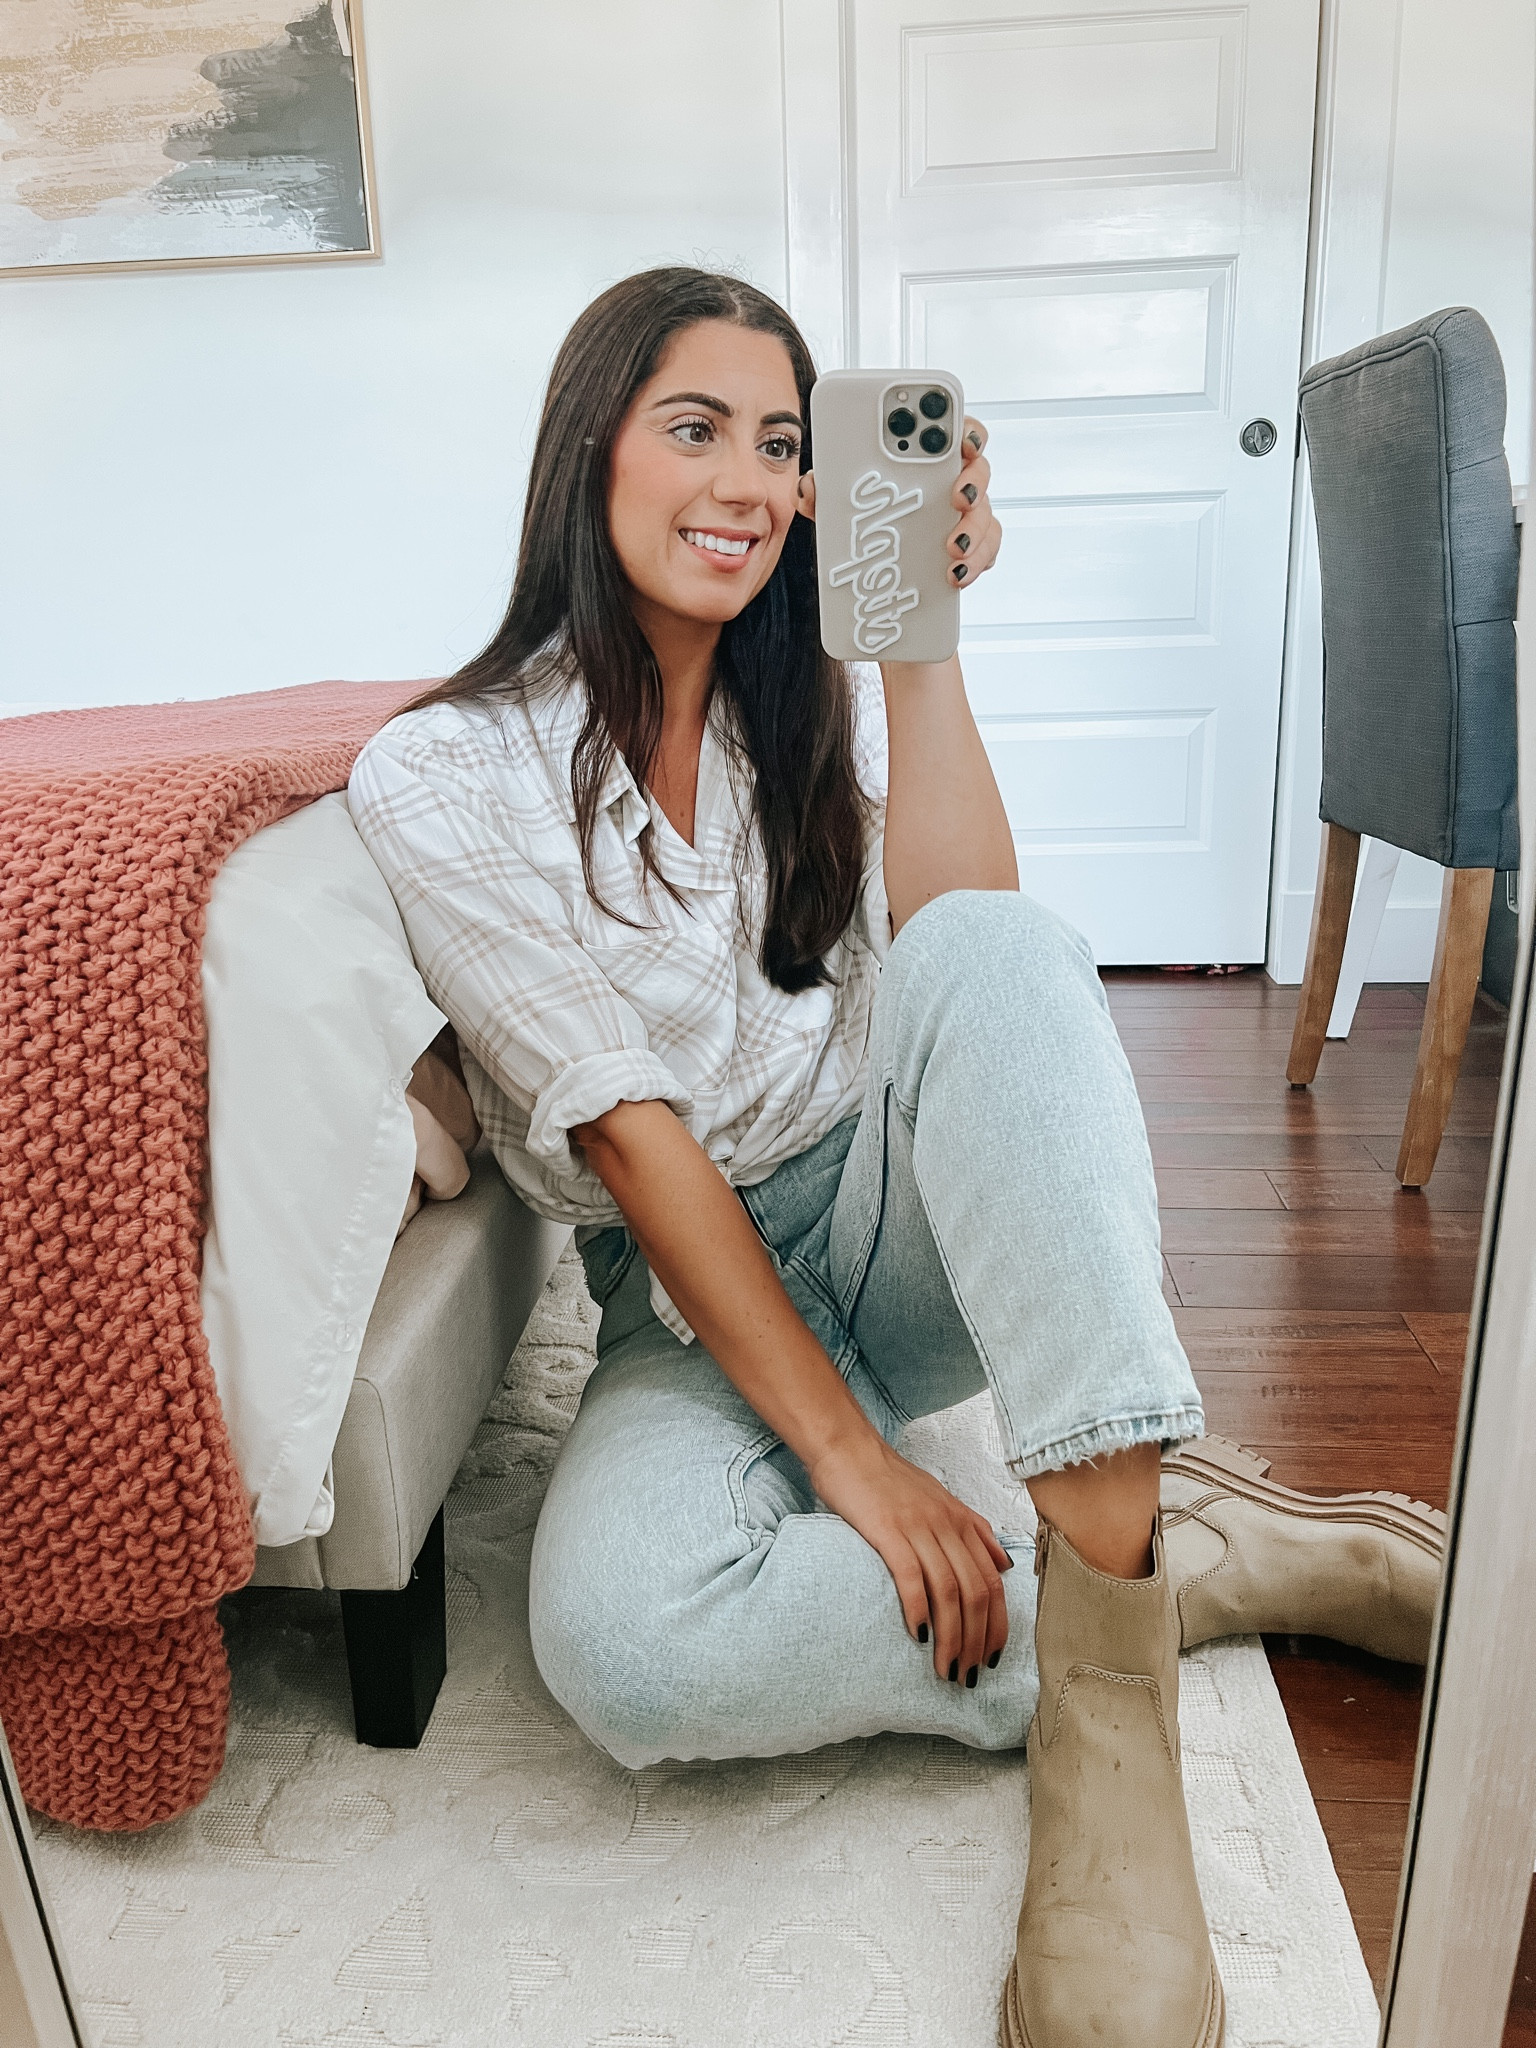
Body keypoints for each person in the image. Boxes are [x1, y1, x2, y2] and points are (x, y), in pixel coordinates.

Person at [349, 268, 1444, 2048]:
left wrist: (922, 646)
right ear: (589, 450)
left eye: (785, 445)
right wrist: (852, 1461)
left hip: (890, 1211)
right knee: (630, 1648)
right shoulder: (444, 773)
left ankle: (1109, 1739)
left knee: (1006, 944)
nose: (750, 482)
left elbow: (965, 959)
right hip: (682, 1298)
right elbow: (630, 1138)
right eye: (696, 429)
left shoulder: (797, 716)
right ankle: (1167, 1564)